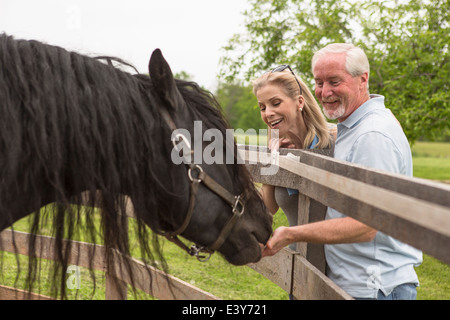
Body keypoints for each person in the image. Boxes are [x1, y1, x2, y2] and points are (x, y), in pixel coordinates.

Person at [262, 43, 423, 300]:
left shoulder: (372, 135)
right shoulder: (351, 127)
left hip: (374, 287)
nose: (325, 92)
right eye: (319, 82)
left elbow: (368, 225)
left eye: (334, 81)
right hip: (351, 283)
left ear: (363, 79)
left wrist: (291, 233)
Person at [252, 65, 335, 240]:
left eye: (275, 103)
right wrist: (272, 161)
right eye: (262, 107)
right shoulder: (278, 149)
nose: (268, 113)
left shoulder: (333, 142)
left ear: (299, 102)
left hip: (336, 262)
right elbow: (267, 209)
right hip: (296, 259)